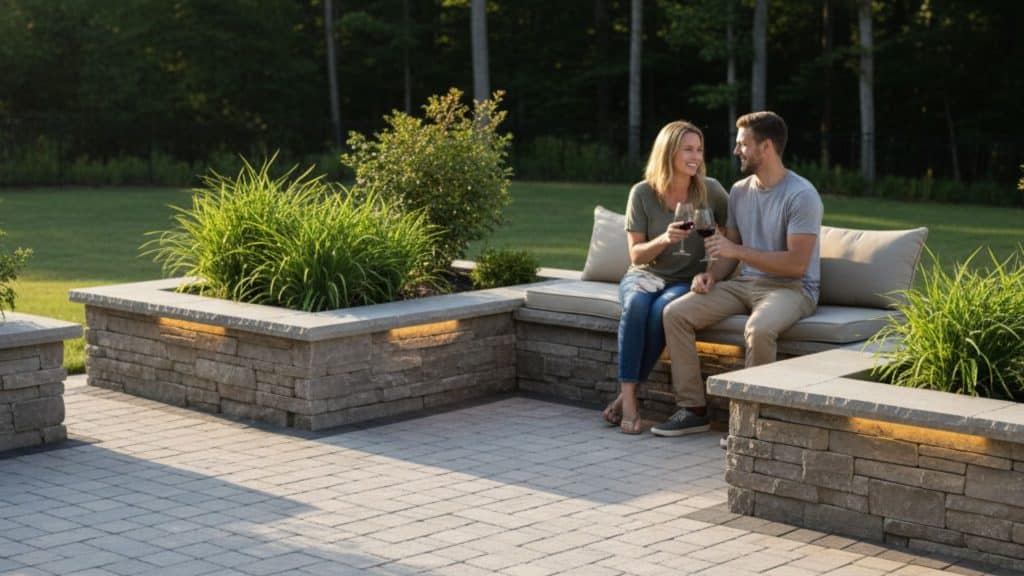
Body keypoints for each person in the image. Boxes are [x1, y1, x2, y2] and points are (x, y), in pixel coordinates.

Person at [652, 111, 823, 437]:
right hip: (744, 283)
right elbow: (729, 249)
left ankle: (752, 425)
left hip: (792, 289)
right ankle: (693, 409)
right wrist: (712, 275)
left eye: (743, 144)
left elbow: (796, 265)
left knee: (758, 330)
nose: (736, 150)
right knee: (675, 313)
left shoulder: (801, 195)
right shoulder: (741, 191)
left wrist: (737, 253)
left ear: (766, 146)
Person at [602, 120, 728, 434]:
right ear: (668, 152)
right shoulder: (642, 193)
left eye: (699, 149)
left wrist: (712, 270)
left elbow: (732, 233)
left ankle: (622, 397)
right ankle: (630, 399)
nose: (696, 156)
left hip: (684, 280)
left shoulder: (710, 190)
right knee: (638, 308)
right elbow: (636, 255)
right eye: (688, 149)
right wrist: (664, 239)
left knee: (662, 312)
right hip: (644, 275)